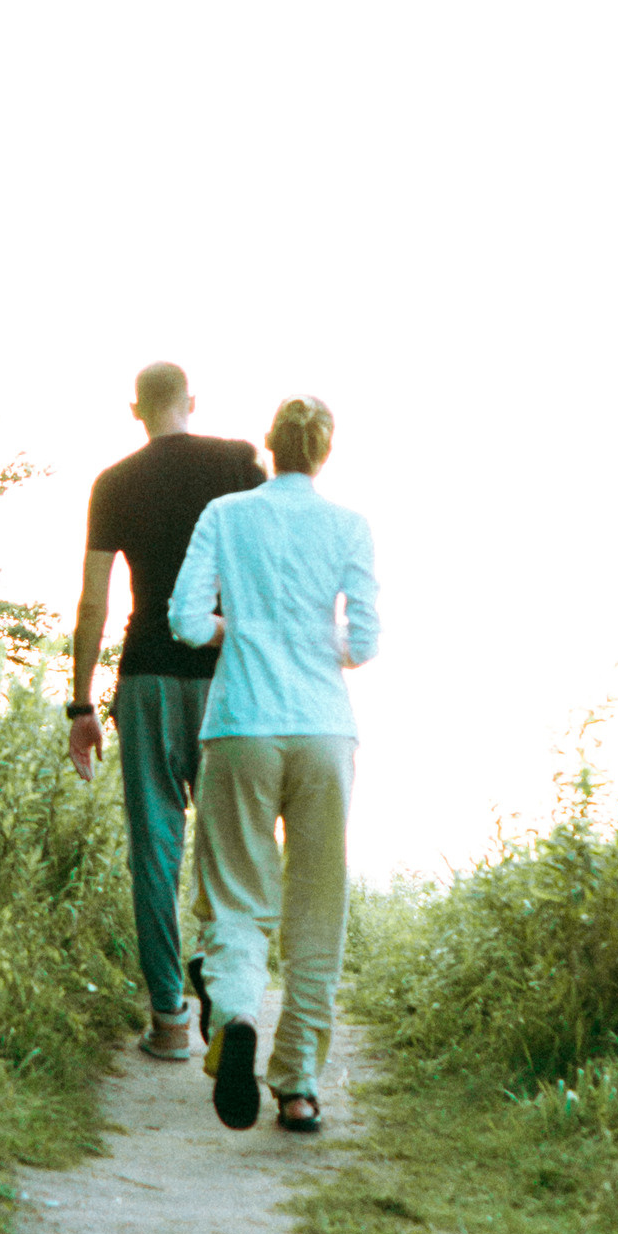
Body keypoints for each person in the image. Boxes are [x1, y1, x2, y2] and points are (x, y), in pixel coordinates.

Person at [168, 394, 379, 1138]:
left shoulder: (225, 515)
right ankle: (297, 1089)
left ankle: (231, 1015)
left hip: (241, 727)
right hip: (324, 731)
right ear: (322, 451)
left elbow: (186, 621)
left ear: (270, 446)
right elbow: (364, 642)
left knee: (235, 898)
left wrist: (242, 626)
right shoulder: (349, 526)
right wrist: (319, 641)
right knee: (317, 908)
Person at [69, 363, 264, 1057]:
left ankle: (169, 1023)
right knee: (226, 846)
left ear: (135, 410)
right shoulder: (239, 462)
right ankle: (225, 985)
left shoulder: (113, 483)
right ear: (190, 402)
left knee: (153, 848)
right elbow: (266, 563)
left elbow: (94, 604)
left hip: (147, 673)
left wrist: (79, 705)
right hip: (224, 676)